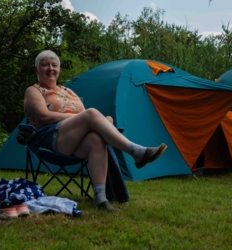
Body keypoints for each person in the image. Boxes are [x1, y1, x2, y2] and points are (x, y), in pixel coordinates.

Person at [23, 50, 167, 212]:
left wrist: (103, 123)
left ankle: (100, 198)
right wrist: (80, 118)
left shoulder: (68, 91)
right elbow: (44, 116)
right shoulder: (34, 91)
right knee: (91, 114)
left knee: (96, 139)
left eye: (54, 65)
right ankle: (135, 151)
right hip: (49, 138)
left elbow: (84, 119)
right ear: (37, 69)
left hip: (74, 140)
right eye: (45, 65)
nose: (50, 68)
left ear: (59, 69)